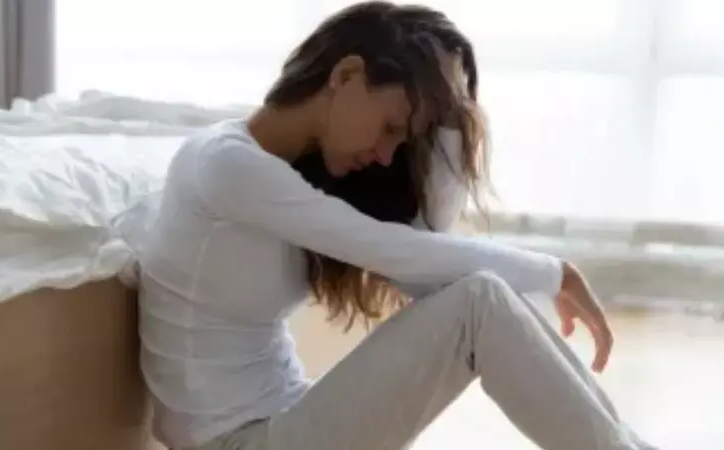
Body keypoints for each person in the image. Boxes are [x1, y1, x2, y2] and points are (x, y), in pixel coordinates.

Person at [138, 2, 656, 449]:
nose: (388, 155)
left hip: (287, 416)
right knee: (479, 302)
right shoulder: (226, 165)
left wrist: (449, 118)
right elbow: (398, 251)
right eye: (390, 127)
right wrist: (556, 274)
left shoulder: (294, 173)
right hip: (239, 442)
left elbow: (428, 269)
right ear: (345, 76)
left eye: (403, 138)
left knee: (480, 297)